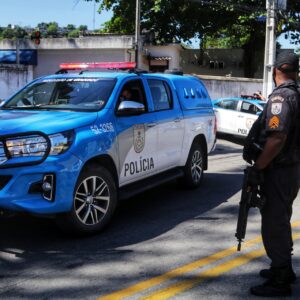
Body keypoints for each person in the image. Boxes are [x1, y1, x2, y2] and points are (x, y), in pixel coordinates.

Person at [244, 51, 300, 297]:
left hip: (279, 170)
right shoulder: (296, 94)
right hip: (290, 169)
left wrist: (258, 168)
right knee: (281, 219)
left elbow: (277, 138)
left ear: (276, 70)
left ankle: (280, 279)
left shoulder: (281, 97)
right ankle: (284, 268)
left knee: (274, 223)